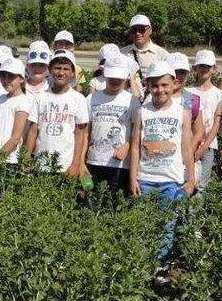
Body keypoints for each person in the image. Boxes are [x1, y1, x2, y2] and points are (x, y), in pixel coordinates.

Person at [129, 60, 194, 280]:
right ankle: (142, 264)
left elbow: (187, 148)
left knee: (167, 226)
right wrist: (133, 178)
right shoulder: (142, 112)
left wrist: (191, 179)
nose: (160, 90)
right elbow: (136, 147)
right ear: (147, 85)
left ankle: (160, 267)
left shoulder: (182, 112)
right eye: (155, 85)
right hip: (145, 179)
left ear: (175, 83)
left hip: (171, 180)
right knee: (144, 224)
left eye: (165, 85)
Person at [25, 50, 89, 176]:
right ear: (50, 69)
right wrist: (26, 158)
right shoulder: (40, 97)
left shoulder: (78, 99)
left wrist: (76, 164)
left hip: (65, 166)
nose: (61, 73)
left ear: (72, 73)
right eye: (57, 68)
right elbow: (33, 130)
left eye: (66, 69)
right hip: (40, 164)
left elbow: (80, 134)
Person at [86, 55, 140, 193]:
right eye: (112, 76)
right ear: (104, 73)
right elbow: (86, 133)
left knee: (115, 204)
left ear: (127, 76)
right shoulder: (91, 99)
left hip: (120, 165)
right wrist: (82, 161)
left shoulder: (132, 101)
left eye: (119, 77)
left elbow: (137, 133)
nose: (115, 80)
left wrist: (127, 146)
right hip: (94, 162)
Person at [0, 58, 30, 167]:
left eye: (11, 76)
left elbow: (16, 138)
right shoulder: (0, 98)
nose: (6, 80)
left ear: (21, 78)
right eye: (3, 76)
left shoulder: (23, 101)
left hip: (6, 161)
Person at [187, 49, 222, 192]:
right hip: (189, 143)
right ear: (195, 68)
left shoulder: (218, 93)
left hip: (208, 145)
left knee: (202, 185)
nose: (204, 70)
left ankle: (195, 214)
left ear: (214, 69)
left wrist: (204, 146)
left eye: (207, 66)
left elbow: (216, 122)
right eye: (201, 66)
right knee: (186, 180)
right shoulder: (188, 91)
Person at [120, 14, 169, 100]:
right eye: (134, 30)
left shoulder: (162, 54)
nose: (137, 33)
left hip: (153, 102)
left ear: (150, 30)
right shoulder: (122, 53)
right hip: (128, 101)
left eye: (142, 29)